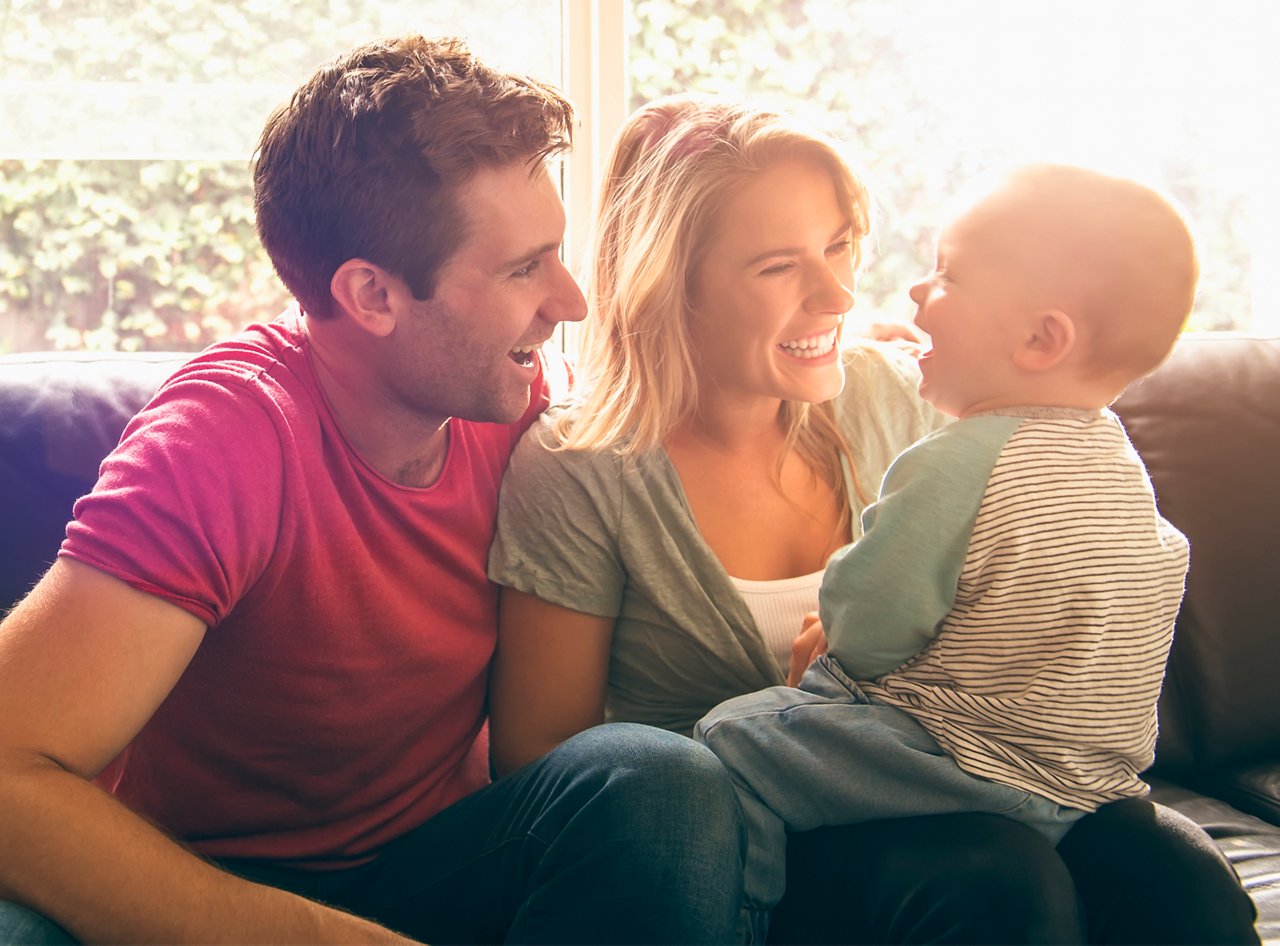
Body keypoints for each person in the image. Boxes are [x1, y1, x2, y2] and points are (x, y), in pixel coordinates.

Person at [0, 37, 746, 945]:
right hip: (214, 880)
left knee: (657, 782)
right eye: (524, 267)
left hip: (447, 857)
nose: (571, 300)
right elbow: (8, 770)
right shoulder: (225, 440)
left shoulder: (512, 411)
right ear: (371, 295)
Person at [487, 96, 1259, 944]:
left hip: (968, 782)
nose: (838, 292)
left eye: (840, 246)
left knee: (1179, 872)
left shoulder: (907, 396)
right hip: (760, 845)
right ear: (671, 280)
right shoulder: (580, 466)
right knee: (992, 879)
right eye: (779, 265)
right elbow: (545, 757)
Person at [692, 162, 1197, 929]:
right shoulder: (1117, 464)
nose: (916, 293)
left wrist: (836, 627)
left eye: (946, 276)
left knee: (730, 739)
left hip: (962, 762)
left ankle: (744, 913)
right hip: (1091, 784)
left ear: (1040, 338)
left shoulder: (959, 460)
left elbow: (866, 630)